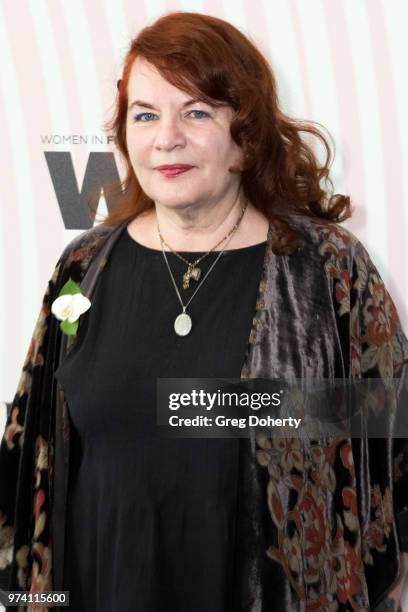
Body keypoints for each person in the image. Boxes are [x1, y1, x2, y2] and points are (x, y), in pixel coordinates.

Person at [1, 10, 408, 612]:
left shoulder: (328, 268)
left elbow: (385, 428)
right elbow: (32, 448)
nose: (167, 137)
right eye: (145, 115)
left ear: (244, 135)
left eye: (196, 112)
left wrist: (198, 404)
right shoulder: (83, 267)